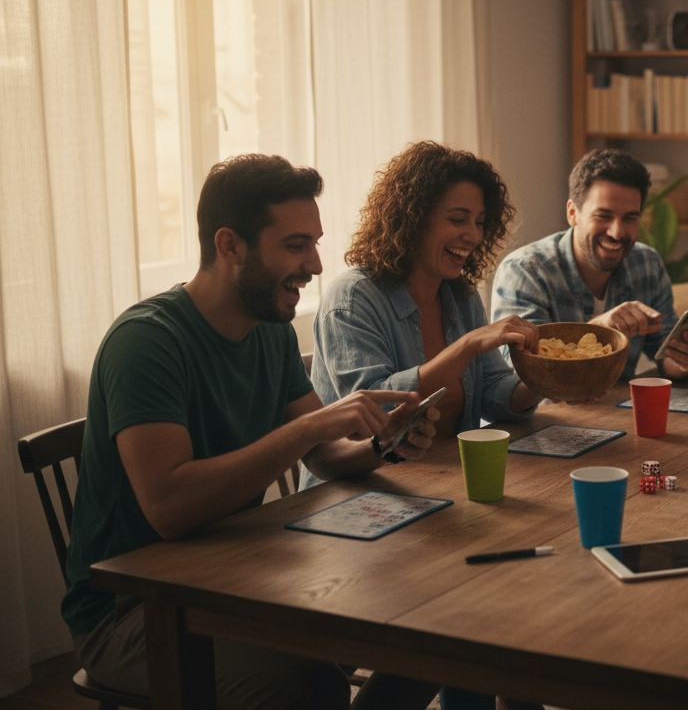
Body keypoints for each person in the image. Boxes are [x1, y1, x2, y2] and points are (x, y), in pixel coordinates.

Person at [62, 154, 443, 709]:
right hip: (133, 610)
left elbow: (325, 452)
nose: (315, 264)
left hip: (238, 573)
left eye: (314, 243)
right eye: (295, 245)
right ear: (229, 245)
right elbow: (169, 508)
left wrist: (382, 443)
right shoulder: (146, 342)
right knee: (307, 686)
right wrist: (313, 425)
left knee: (437, 624)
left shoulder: (269, 331)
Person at [309, 142, 540, 450]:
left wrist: (544, 381)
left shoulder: (461, 295)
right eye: (458, 219)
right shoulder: (352, 299)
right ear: (413, 219)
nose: (473, 235)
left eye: (480, 222)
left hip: (447, 476)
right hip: (362, 488)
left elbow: (492, 390)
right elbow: (375, 411)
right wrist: (466, 347)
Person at [491, 148, 688, 380]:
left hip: (618, 410)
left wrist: (683, 361)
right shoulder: (525, 271)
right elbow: (527, 371)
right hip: (548, 414)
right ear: (573, 213)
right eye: (603, 216)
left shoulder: (646, 264)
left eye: (630, 218)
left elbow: (663, 352)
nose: (617, 232)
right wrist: (598, 330)